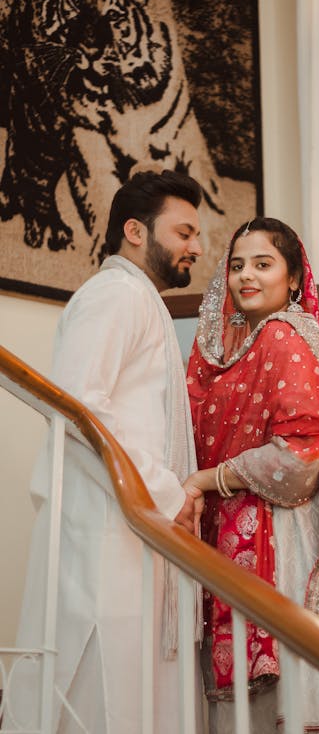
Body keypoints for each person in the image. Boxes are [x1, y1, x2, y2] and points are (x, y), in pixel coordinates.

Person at [8, 170, 204, 734]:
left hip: (131, 526)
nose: (196, 247)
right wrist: (171, 494)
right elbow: (80, 410)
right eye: (185, 231)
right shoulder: (116, 294)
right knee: (101, 693)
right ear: (137, 231)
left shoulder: (140, 301)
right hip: (108, 526)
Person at [183, 217, 319, 733]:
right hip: (248, 537)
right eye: (236, 266)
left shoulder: (281, 335)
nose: (245, 277)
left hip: (284, 539)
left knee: (293, 704)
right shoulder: (240, 347)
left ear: (294, 279)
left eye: (262, 264)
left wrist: (205, 481)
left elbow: (297, 462)